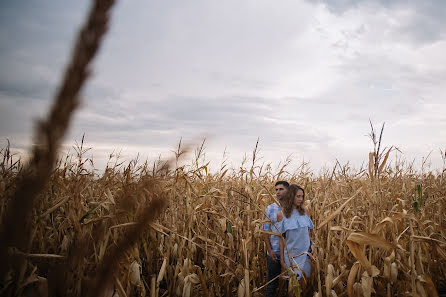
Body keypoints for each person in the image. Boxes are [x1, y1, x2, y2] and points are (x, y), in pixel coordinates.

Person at [277, 184, 314, 292]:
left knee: (305, 287)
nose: (301, 199)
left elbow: (307, 234)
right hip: (291, 257)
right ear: (291, 196)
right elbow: (281, 239)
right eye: (298, 196)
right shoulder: (281, 215)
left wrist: (313, 245)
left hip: (306, 256)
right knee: (292, 289)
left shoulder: (305, 212)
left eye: (302, 196)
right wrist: (282, 262)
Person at [263, 181, 289, 297]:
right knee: (272, 283)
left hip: (290, 253)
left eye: (281, 189)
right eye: (276, 190)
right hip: (274, 253)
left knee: (291, 284)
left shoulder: (294, 209)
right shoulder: (270, 208)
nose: (278, 192)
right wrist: (269, 250)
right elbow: (265, 231)